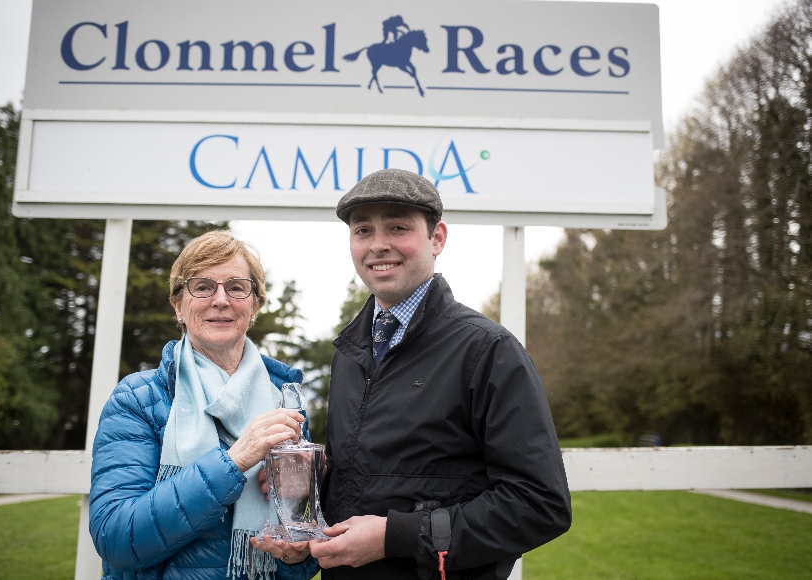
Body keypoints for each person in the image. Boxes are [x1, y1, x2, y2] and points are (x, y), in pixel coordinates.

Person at [309, 168, 572, 579]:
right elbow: (370, 482)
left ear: (437, 238)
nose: (379, 245)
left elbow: (539, 504)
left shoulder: (488, 351)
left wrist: (393, 537)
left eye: (398, 227)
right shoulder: (349, 353)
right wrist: (308, 489)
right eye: (363, 231)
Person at [89, 231, 320, 580]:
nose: (221, 300)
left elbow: (298, 556)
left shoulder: (285, 402)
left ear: (254, 304)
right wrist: (233, 461)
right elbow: (117, 538)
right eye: (202, 286)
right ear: (178, 305)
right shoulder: (138, 398)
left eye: (237, 287)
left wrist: (297, 552)